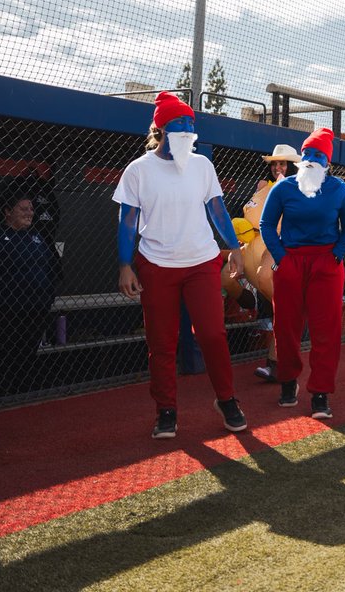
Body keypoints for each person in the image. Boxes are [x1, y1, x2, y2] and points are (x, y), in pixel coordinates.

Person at [113, 91, 248, 439]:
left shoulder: (202, 165)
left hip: (202, 262)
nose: (188, 136)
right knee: (162, 342)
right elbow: (128, 220)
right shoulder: (138, 170)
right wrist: (125, 264)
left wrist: (233, 248)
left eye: (191, 130)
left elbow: (216, 209)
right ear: (160, 131)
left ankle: (227, 399)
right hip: (156, 265)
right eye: (180, 129)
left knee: (213, 335)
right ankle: (166, 411)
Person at [260, 127, 345, 420]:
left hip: (326, 264)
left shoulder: (340, 189)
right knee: (286, 327)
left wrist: (336, 256)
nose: (312, 159)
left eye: (319, 155)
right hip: (291, 262)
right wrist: (281, 258)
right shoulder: (283, 187)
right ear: (300, 158)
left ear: (328, 161)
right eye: (308, 154)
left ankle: (320, 393)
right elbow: (266, 225)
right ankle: (288, 383)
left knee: (325, 330)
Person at [0, 189, 62, 399]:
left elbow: (53, 270)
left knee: (26, 359)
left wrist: (47, 298)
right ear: (7, 211)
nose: (29, 213)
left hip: (34, 312)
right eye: (23, 209)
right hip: (0, 314)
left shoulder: (38, 238)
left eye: (31, 209)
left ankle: (22, 400)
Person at [249, 144, 300, 382]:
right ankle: (278, 365)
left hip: (294, 252)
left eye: (283, 164)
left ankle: (281, 366)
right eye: (274, 164)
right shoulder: (265, 188)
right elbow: (258, 221)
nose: (278, 168)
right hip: (275, 250)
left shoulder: (300, 187)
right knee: (282, 310)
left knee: (287, 311)